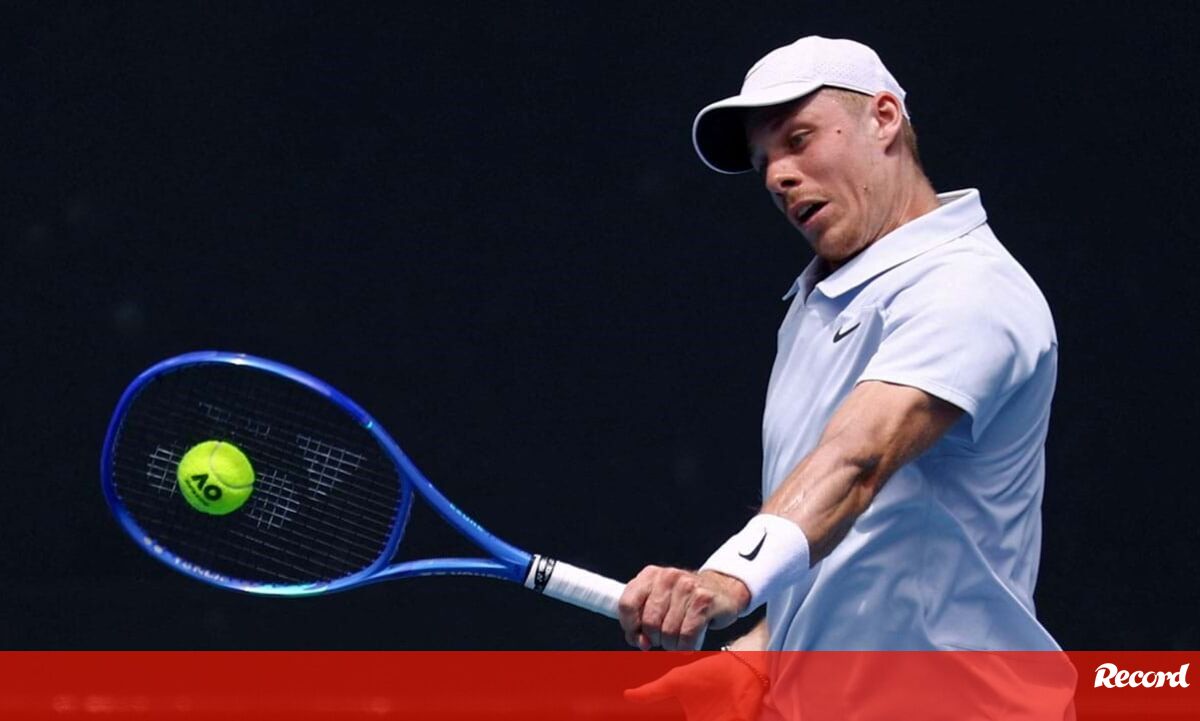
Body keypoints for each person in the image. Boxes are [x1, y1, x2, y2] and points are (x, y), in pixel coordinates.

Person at [617, 34, 1062, 665]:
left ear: (884, 118)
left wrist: (725, 580)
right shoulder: (821, 302)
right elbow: (851, 544)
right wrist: (754, 660)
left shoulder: (968, 286)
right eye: (763, 161)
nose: (777, 176)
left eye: (798, 140)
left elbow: (857, 461)